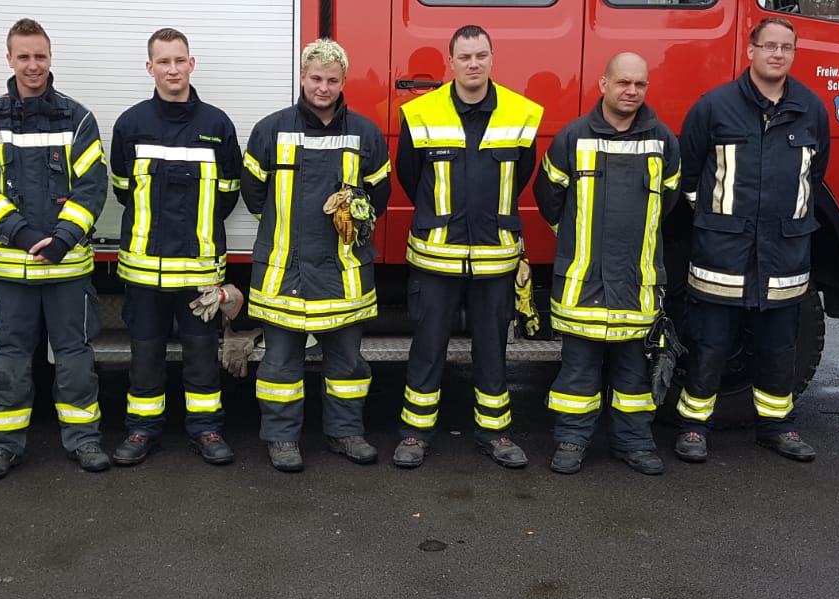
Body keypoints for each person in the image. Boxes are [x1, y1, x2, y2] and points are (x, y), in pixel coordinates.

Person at [673, 16, 830, 463]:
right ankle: (692, 428)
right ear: (750, 51)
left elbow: (814, 176)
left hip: (783, 254)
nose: (777, 54)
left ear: (793, 54)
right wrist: (714, 218)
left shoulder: (811, 109)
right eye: (769, 46)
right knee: (709, 344)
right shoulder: (715, 106)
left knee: (780, 346)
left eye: (786, 47)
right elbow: (687, 174)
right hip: (722, 252)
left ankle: (777, 427)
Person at [0, 17, 110, 481]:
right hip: (12, 271)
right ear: (9, 59)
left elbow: (92, 187)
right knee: (7, 362)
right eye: (23, 56)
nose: (33, 65)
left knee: (75, 362)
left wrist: (64, 239)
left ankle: (85, 441)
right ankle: (3, 447)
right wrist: (24, 236)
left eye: (40, 56)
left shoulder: (78, 117)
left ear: (51, 58)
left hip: (67, 271)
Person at [392, 25, 542, 469]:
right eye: (465, 57)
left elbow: (522, 176)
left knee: (494, 348)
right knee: (427, 345)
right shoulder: (420, 113)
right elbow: (408, 176)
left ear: (492, 58)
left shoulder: (521, 113)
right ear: (450, 62)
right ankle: (415, 434)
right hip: (435, 259)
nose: (473, 64)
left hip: (496, 259)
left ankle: (495, 433)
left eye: (481, 55)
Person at [241, 39, 391, 472]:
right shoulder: (271, 129)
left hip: (343, 271)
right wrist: (283, 225)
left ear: (343, 81)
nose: (323, 88)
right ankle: (282, 439)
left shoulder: (365, 133)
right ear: (302, 78)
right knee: (280, 364)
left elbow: (378, 194)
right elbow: (254, 195)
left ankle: (346, 433)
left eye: (331, 80)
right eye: (315, 79)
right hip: (284, 270)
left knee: (347, 361)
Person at [535, 53, 680, 476]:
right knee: (577, 371)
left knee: (634, 374)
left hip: (637, 282)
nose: (631, 91)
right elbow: (550, 201)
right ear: (603, 84)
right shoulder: (572, 137)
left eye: (639, 84)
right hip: (583, 282)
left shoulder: (662, 141)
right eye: (622, 83)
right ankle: (571, 441)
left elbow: (667, 203)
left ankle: (633, 443)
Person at [107, 28, 243, 467]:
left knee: (202, 355)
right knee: (144, 354)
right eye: (162, 61)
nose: (172, 69)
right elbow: (123, 190)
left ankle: (206, 429)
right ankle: (141, 431)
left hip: (199, 272)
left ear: (191, 64)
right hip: (143, 271)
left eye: (179, 60)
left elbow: (228, 193)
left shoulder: (217, 125)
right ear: (150, 67)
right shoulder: (130, 124)